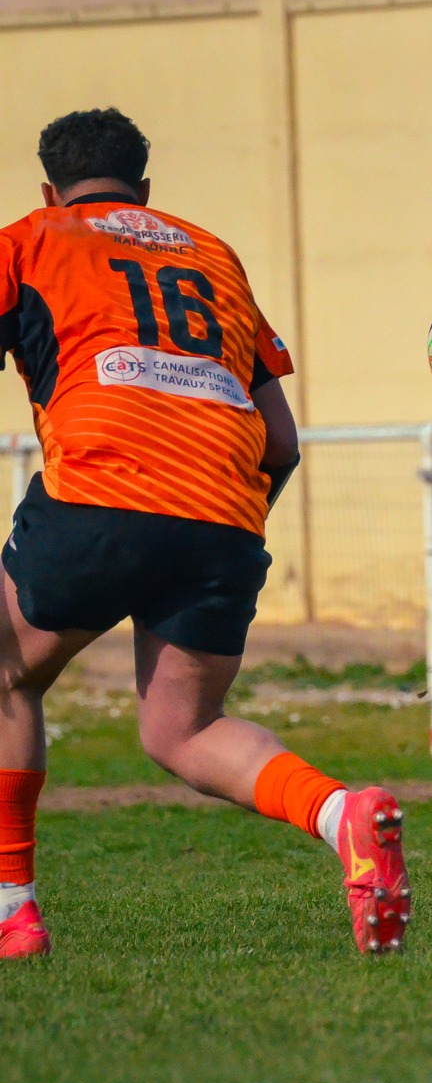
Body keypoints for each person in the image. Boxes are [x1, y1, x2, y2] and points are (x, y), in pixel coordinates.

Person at [0, 109, 409, 958]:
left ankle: (13, 913)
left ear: (50, 189)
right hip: (224, 508)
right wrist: (230, 523)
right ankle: (343, 816)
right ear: (145, 190)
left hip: (99, 493)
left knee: (7, 679)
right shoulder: (211, 253)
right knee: (182, 729)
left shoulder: (30, 240)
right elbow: (284, 439)